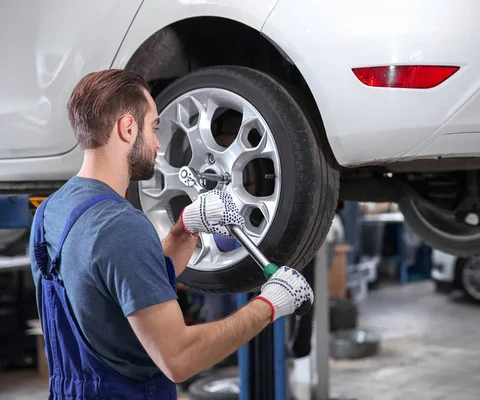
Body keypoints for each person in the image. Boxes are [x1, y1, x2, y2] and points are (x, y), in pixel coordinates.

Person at [29, 69, 313, 399]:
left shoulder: (51, 210)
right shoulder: (121, 227)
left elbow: (121, 281)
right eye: (153, 127)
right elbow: (180, 358)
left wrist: (185, 229)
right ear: (127, 127)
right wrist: (268, 306)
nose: (157, 143)